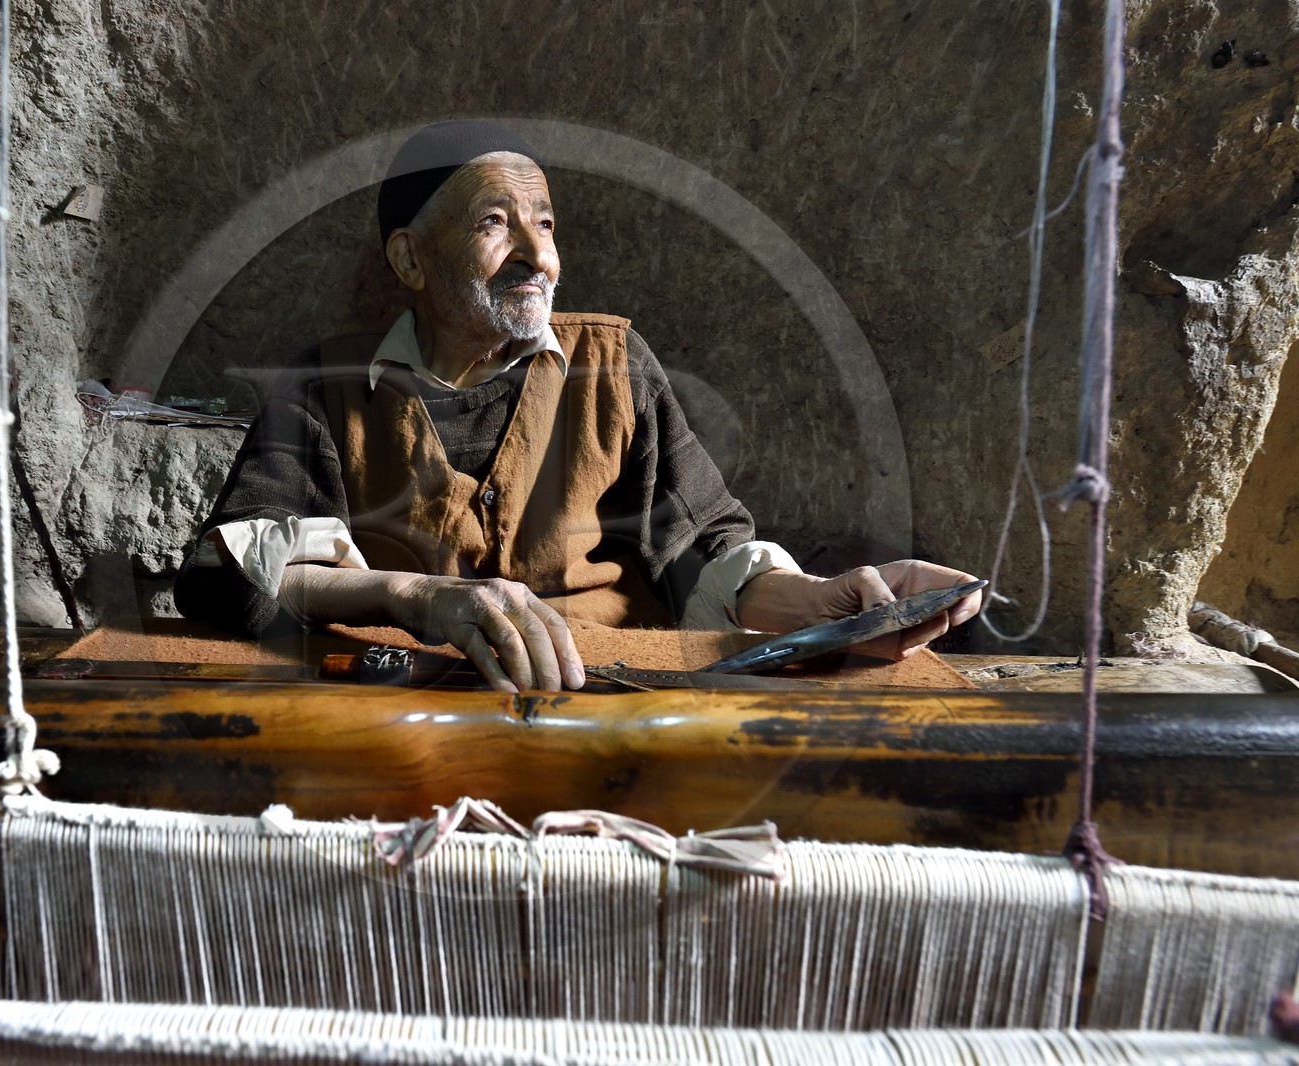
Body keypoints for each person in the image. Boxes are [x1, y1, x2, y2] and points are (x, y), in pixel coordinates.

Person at [175, 120, 982, 692]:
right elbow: (228, 573)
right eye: (497, 222)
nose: (539, 255)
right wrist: (413, 596)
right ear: (410, 259)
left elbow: (702, 554)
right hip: (399, 716)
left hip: (613, 701)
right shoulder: (322, 391)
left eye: (546, 223)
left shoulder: (614, 365)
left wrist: (829, 604)